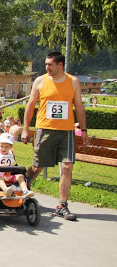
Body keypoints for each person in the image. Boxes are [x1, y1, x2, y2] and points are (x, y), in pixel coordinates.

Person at [23, 51, 88, 221]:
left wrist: (84, 130)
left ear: (60, 65)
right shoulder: (40, 81)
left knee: (67, 166)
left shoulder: (73, 82)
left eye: (50, 64)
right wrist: (25, 129)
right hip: (45, 129)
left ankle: (62, 205)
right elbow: (30, 106)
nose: (47, 67)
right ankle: (21, 188)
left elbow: (79, 107)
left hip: (66, 131)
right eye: (46, 64)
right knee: (37, 166)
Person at [0, 132, 33, 198]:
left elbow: (14, 164)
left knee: (20, 176)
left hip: (9, 176)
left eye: (6, 147)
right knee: (0, 178)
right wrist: (0, 165)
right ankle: (6, 190)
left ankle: (25, 191)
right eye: (1, 146)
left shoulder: (11, 154)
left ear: (10, 147)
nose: (3, 149)